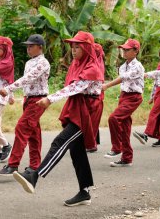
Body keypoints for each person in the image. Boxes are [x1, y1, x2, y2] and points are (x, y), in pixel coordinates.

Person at [13, 31, 103, 206]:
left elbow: (75, 87)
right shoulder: (77, 65)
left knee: (59, 142)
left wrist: (50, 99)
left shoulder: (92, 68)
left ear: (87, 48)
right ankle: (84, 192)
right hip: (77, 109)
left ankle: (35, 175)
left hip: (86, 114)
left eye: (78, 47)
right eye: (73, 47)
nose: (74, 50)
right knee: (77, 153)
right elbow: (71, 88)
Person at [0, 34, 50, 176]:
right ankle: (35, 165)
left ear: (40, 47)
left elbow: (28, 78)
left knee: (21, 128)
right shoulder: (29, 62)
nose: (28, 48)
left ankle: (13, 164)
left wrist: (8, 89)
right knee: (33, 133)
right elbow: (27, 82)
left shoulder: (43, 63)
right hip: (29, 99)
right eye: (28, 46)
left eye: (31, 46)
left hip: (39, 100)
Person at [102, 39, 144, 167]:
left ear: (136, 51)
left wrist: (107, 85)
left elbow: (123, 78)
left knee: (113, 119)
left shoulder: (137, 66)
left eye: (127, 49)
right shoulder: (122, 66)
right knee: (125, 128)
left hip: (134, 97)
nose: (124, 52)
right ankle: (126, 158)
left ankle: (117, 147)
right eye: (123, 49)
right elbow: (123, 80)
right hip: (124, 96)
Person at [133, 49, 160, 147]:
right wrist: (152, 96)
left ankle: (145, 135)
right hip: (159, 91)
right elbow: (155, 83)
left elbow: (158, 73)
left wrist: (146, 74)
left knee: (154, 112)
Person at [84, 43, 105, 153]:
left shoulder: (96, 65)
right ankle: (91, 143)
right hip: (92, 96)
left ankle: (91, 145)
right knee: (91, 122)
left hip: (95, 96)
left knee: (92, 122)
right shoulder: (96, 63)